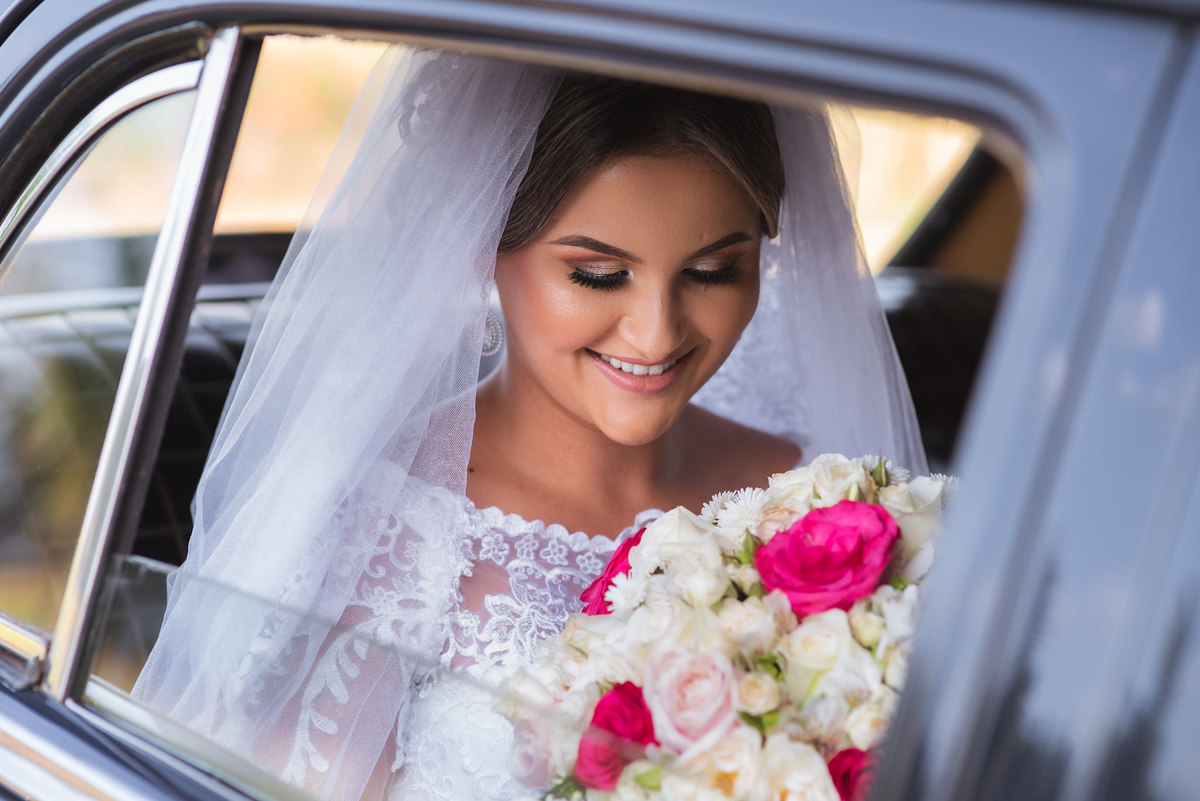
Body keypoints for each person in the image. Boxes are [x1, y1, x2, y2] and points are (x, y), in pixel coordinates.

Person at [133, 47, 925, 801]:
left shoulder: (822, 506)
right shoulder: (375, 532)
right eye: (597, 274)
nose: (656, 333)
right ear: (484, 241)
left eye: (715, 270)